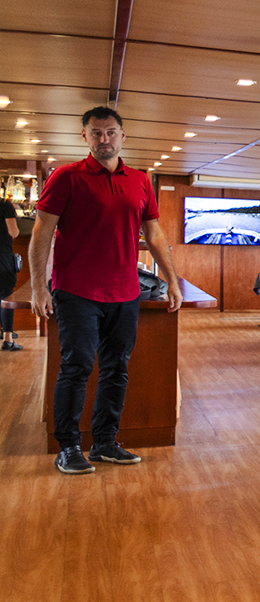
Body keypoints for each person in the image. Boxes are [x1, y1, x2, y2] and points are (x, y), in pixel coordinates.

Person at [29, 107, 183, 474]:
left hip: (125, 291)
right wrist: (38, 286)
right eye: (96, 133)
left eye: (111, 132)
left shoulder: (141, 181)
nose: (104, 139)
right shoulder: (66, 177)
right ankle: (67, 446)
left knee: (117, 368)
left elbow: (155, 234)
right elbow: (41, 232)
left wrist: (172, 280)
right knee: (77, 366)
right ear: (85, 136)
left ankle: (105, 442)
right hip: (76, 290)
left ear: (122, 135)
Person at [0, 194, 19, 350]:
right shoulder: (5, 204)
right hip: (2, 258)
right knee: (6, 297)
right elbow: (14, 232)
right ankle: (7, 339)